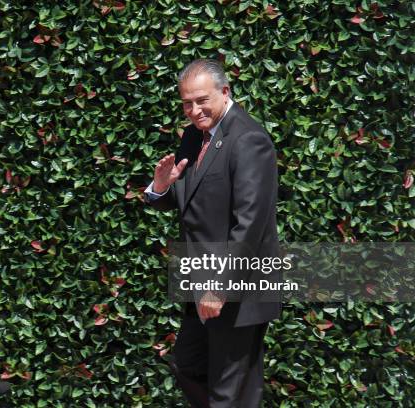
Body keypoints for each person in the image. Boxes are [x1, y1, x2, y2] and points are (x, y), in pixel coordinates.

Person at [144, 59, 281, 407]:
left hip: (235, 288)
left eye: (202, 100)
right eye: (187, 103)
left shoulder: (249, 139)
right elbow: (192, 200)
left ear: (225, 91)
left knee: (228, 392)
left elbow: (250, 223)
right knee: (187, 365)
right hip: (198, 282)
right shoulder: (195, 136)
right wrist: (160, 188)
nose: (194, 110)